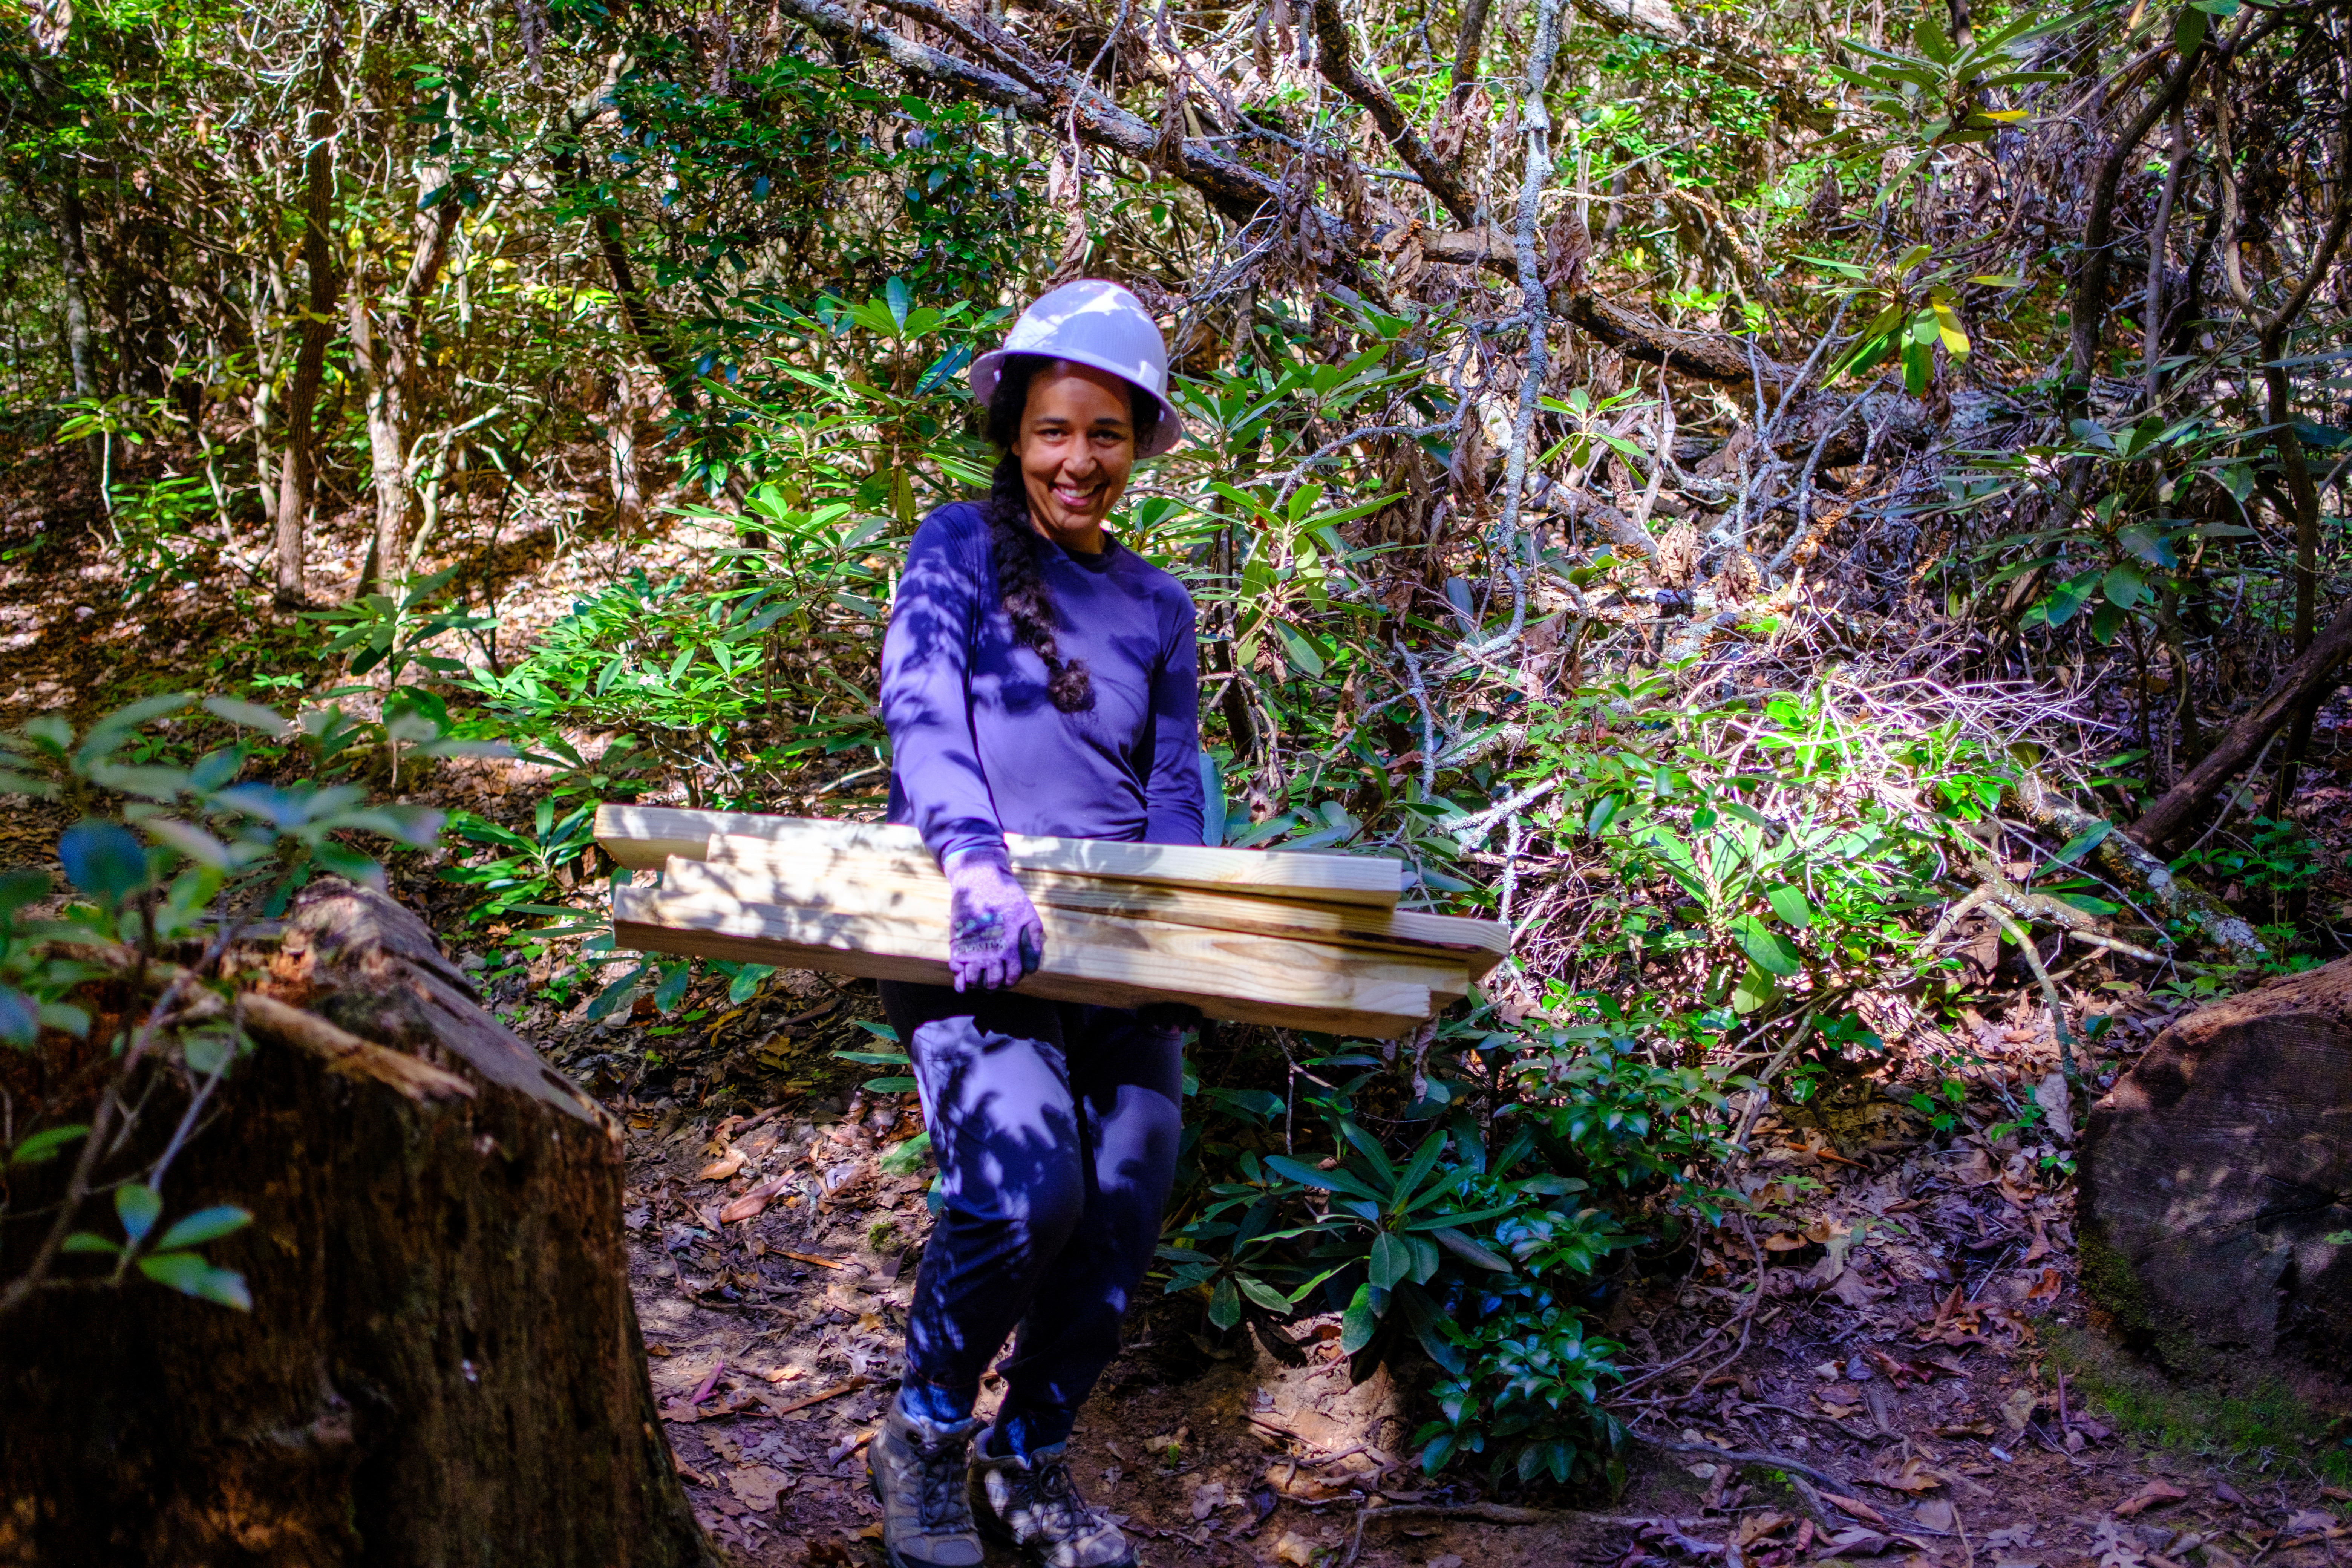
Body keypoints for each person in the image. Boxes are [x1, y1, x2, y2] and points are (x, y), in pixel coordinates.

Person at [867, 278, 1204, 1568]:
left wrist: (1189, 936)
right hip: (972, 926)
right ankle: (925, 1433)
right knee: (1024, 1197)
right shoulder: (953, 546)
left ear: (1138, 447)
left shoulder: (1160, 605)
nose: (1080, 460)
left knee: (1121, 1201)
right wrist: (973, 864)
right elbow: (921, 713)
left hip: (1123, 943)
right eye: (1056, 430)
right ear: (1017, 433)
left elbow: (1172, 786)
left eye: (1107, 434)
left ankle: (1029, 1456)